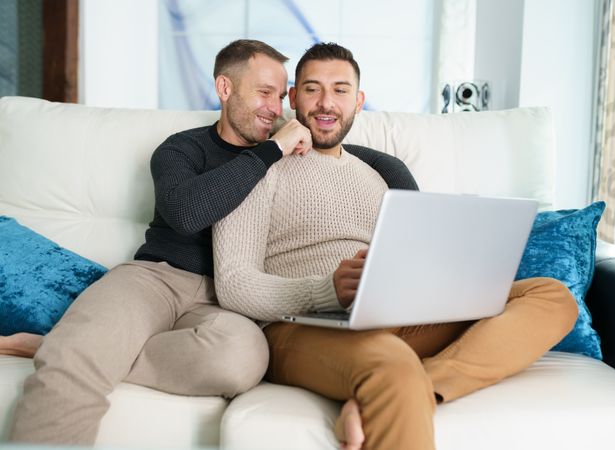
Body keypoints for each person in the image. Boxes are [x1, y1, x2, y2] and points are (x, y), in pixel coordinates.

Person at [7, 39, 415, 446]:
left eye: (279, 96)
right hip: (156, 279)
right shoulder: (185, 148)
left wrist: (388, 170)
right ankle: (80, 351)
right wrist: (272, 149)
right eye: (263, 93)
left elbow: (344, 148)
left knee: (241, 361)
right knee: (74, 361)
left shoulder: (294, 149)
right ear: (225, 89)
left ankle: (79, 346)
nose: (275, 109)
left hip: (225, 300)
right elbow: (186, 214)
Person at [212, 42, 579, 450]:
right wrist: (323, 290)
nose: (326, 104)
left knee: (551, 296)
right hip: (299, 327)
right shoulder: (256, 168)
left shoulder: (378, 176)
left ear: (359, 101)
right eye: (312, 89)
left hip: (391, 316)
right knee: (391, 363)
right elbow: (232, 283)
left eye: (341, 90)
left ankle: (419, 387)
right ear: (293, 98)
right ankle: (399, 384)